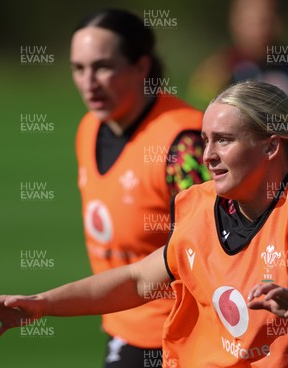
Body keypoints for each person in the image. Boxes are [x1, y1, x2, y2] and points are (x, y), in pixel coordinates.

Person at [0, 81, 288, 367]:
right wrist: (39, 304)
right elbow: (136, 279)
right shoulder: (197, 207)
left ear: (269, 147)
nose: (206, 155)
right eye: (206, 139)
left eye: (223, 140)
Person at [70, 8, 208, 367]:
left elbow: (215, 248)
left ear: (141, 67)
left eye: (103, 66)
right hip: (122, 329)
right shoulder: (88, 129)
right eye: (79, 68)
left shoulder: (184, 144)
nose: (89, 82)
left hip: (182, 339)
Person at [188, 0, 288, 142]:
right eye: (251, 17)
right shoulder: (217, 70)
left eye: (269, 16)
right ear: (234, 19)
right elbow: (201, 126)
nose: (261, 25)